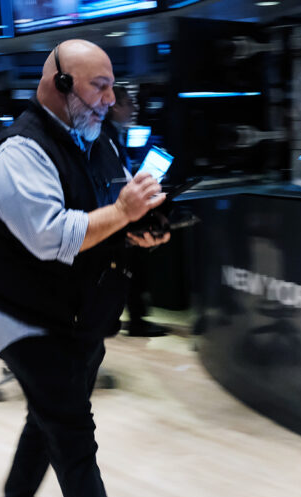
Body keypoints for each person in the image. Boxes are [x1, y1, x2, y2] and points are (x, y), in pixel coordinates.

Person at [0, 39, 169, 497]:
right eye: (99, 86)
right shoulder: (19, 153)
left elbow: (102, 220)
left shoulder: (100, 139)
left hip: (80, 316)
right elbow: (50, 237)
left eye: (113, 86)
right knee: (70, 427)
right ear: (59, 85)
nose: (111, 99)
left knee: (47, 418)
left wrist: (134, 232)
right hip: (26, 321)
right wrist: (122, 210)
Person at [101, 85, 170, 338]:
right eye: (130, 103)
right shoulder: (103, 136)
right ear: (115, 106)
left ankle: (135, 318)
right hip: (115, 216)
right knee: (124, 269)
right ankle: (129, 320)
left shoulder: (114, 135)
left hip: (123, 213)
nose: (134, 108)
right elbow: (114, 179)